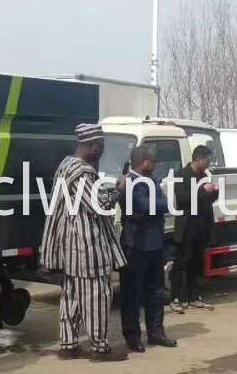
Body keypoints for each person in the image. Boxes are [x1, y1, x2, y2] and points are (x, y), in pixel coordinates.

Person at [39, 123, 128, 361]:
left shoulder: (65, 166)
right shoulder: (82, 172)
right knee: (96, 296)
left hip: (71, 245)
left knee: (72, 297)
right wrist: (119, 189)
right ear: (91, 146)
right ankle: (100, 348)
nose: (102, 151)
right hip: (87, 246)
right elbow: (100, 205)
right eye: (100, 147)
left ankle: (68, 345)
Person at [118, 145, 175, 352]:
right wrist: (155, 204)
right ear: (143, 161)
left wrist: (155, 204)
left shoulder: (151, 181)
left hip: (155, 245)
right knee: (132, 295)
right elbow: (141, 206)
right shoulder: (127, 182)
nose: (156, 164)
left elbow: (165, 204)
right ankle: (132, 336)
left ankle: (156, 332)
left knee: (156, 292)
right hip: (135, 247)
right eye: (153, 160)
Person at [169, 145, 219, 314]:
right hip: (187, 227)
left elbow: (207, 199)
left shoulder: (205, 176)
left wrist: (214, 192)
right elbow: (182, 198)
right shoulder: (181, 175)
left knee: (197, 263)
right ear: (199, 159)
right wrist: (201, 189)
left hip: (201, 227)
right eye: (207, 160)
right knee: (181, 263)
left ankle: (194, 296)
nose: (209, 164)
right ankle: (175, 298)